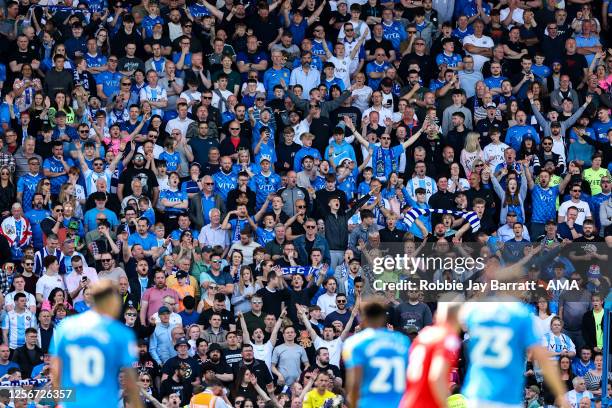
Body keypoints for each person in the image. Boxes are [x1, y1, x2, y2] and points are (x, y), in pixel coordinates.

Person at [49, 280, 141, 408]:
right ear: (112, 302)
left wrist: (62, 402)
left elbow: (56, 372)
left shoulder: (66, 326)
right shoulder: (120, 333)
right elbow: (130, 381)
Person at [344, 299, 411, 407]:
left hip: (369, 404)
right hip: (398, 404)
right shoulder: (403, 341)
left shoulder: (354, 343)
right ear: (384, 318)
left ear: (362, 318)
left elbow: (354, 384)